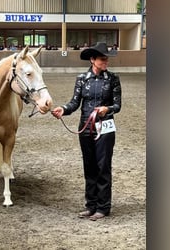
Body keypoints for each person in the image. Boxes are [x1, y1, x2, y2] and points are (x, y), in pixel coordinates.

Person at [51, 42, 121, 221]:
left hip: (105, 128)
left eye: (106, 59)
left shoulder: (113, 79)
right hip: (85, 128)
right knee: (89, 167)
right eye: (102, 59)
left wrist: (107, 109)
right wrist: (64, 109)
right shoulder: (82, 79)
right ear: (92, 60)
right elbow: (75, 102)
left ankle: (103, 207)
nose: (105, 61)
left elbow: (117, 105)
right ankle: (91, 205)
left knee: (103, 167)